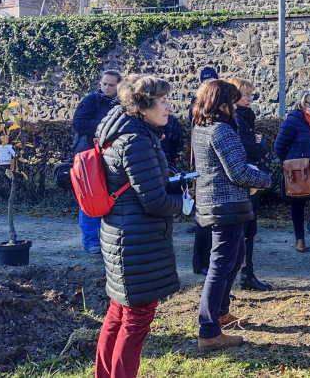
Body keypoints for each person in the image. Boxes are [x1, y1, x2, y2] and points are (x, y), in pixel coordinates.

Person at [93, 74, 182, 378]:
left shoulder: (124, 131)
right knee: (136, 320)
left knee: (118, 314)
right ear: (144, 107)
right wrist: (184, 205)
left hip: (121, 233)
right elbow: (154, 201)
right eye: (163, 101)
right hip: (135, 240)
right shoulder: (135, 140)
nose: (169, 106)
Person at [192, 80, 271, 352]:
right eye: (233, 101)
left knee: (234, 259)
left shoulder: (202, 127)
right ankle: (209, 330)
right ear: (223, 103)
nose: (237, 106)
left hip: (218, 203)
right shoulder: (222, 130)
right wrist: (266, 179)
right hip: (226, 205)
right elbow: (238, 172)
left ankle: (221, 313)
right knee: (221, 266)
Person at [227, 77, 274, 291]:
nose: (249, 98)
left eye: (250, 94)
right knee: (244, 231)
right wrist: (262, 143)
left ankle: (245, 275)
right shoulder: (237, 119)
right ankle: (242, 277)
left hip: (248, 178)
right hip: (244, 180)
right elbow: (253, 149)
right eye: (245, 94)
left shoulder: (244, 117)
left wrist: (260, 143)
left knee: (247, 230)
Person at [72, 69, 122, 254]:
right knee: (90, 196)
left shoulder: (121, 104)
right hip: (89, 156)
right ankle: (91, 241)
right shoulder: (92, 100)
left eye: (111, 85)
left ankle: (107, 238)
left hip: (111, 156)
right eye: (104, 84)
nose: (106, 88)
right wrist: (105, 126)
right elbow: (78, 123)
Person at [274, 91, 310, 254]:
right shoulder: (293, 121)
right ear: (302, 104)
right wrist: (291, 164)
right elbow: (279, 147)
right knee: (298, 202)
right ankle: (300, 239)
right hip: (298, 170)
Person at [191, 67, 220, 267]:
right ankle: (200, 261)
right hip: (203, 163)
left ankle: (203, 260)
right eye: (205, 80)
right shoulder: (197, 107)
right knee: (204, 217)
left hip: (205, 162)